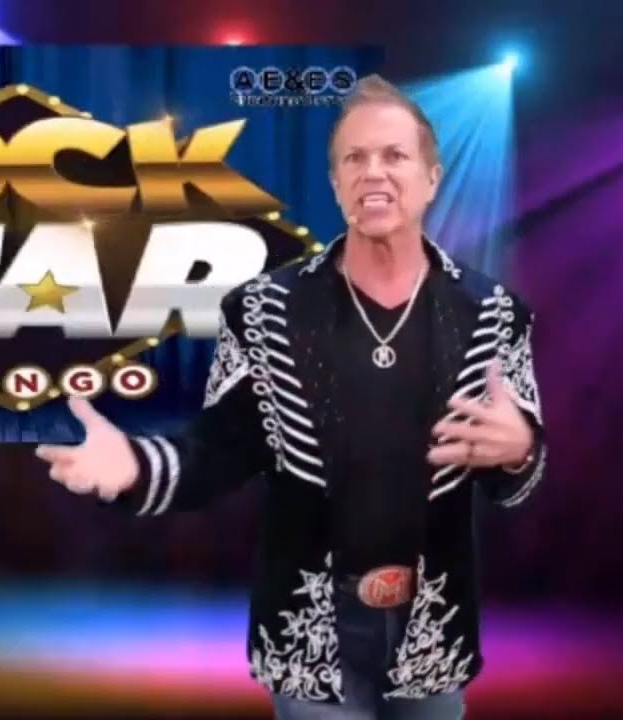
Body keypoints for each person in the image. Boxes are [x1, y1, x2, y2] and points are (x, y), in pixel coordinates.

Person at [36, 74, 546, 720]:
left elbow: (512, 480)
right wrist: (136, 466)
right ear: (335, 182)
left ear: (432, 178)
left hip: (434, 633)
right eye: (354, 158)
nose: (373, 172)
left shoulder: (493, 313)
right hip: (309, 635)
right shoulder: (263, 311)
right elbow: (219, 449)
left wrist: (521, 448)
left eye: (394, 155)